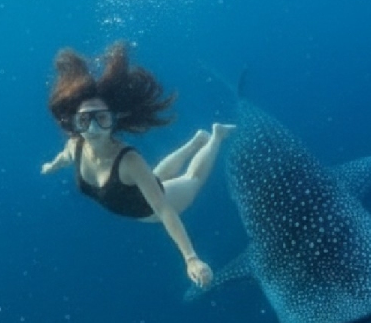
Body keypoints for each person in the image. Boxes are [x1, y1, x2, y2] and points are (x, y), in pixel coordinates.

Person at [41, 41, 235, 289]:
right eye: (84, 120)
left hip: (155, 208)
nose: (93, 128)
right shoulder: (75, 146)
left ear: (114, 120)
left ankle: (216, 136)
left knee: (192, 179)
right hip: (138, 190)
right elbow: (65, 157)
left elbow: (163, 209)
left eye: (101, 118)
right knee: (154, 177)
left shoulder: (130, 161)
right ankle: (196, 141)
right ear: (74, 123)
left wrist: (191, 258)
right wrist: (52, 166)